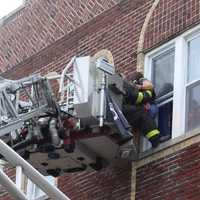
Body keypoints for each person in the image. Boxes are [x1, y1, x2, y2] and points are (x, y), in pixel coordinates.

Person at [122, 72, 160, 148]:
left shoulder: (141, 80)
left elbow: (150, 86)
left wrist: (137, 87)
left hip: (149, 108)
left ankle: (154, 139)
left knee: (144, 117)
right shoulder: (127, 89)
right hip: (138, 111)